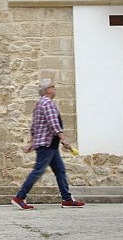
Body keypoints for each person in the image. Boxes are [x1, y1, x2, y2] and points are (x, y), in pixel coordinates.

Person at [12, 78, 85, 209]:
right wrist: (63, 138)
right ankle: (19, 197)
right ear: (47, 90)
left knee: (60, 170)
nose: (55, 88)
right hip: (47, 144)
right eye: (53, 86)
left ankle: (67, 199)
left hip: (49, 144)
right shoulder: (47, 103)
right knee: (38, 171)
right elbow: (53, 124)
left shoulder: (40, 103)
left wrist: (32, 143)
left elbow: (34, 126)